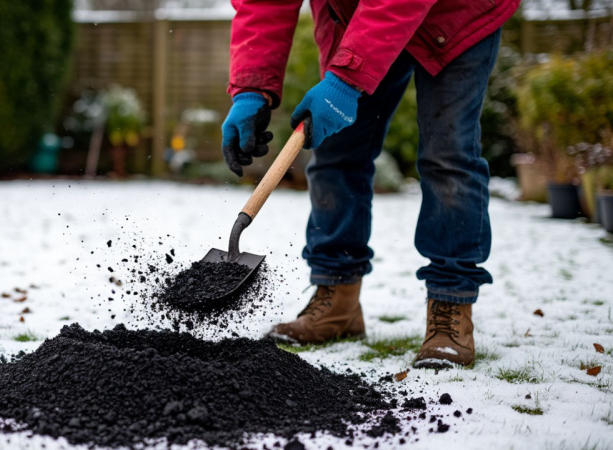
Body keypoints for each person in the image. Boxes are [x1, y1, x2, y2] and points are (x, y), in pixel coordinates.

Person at [221, 0, 520, 368]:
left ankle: (450, 303)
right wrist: (250, 89)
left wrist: (347, 79)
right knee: (336, 152)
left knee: (449, 156)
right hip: (356, 20)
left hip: (456, 14)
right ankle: (338, 299)